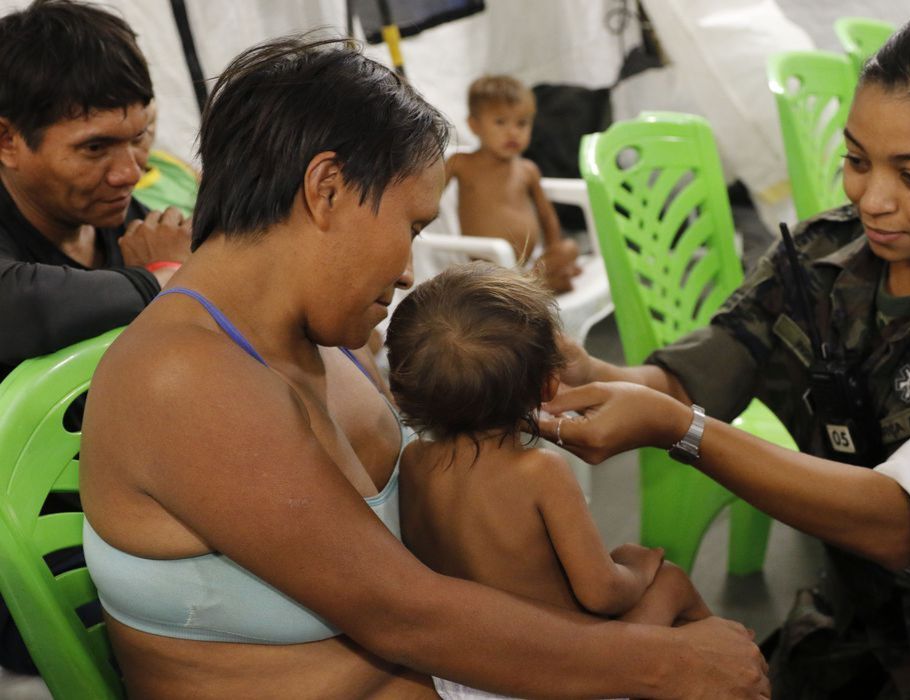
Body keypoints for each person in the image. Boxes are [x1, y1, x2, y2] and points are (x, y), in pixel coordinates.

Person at [79, 36, 768, 699]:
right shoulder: (185, 378)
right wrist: (660, 666)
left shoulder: (326, 337)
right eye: (411, 226)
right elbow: (404, 612)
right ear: (327, 188)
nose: (409, 271)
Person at [541, 7, 910, 698]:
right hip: (852, 622)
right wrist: (591, 373)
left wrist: (679, 433)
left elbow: (906, 520)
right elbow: (700, 374)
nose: (873, 198)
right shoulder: (817, 259)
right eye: (857, 160)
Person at [387, 261, 711, 698]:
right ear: (549, 382)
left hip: (464, 679)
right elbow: (601, 594)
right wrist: (639, 565)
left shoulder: (412, 462)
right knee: (670, 583)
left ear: (403, 389)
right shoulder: (539, 471)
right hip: (558, 677)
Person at [0, 0, 192, 675]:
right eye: (94, 148)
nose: (131, 171)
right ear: (6, 140)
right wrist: (163, 283)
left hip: (143, 536)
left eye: (140, 137)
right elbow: (18, 305)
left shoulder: (133, 222)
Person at [447, 74, 581, 293]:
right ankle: (537, 285)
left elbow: (546, 215)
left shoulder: (528, 170)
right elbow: (428, 193)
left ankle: (531, 283)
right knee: (555, 278)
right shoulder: (462, 164)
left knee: (569, 248)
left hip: (529, 263)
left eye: (522, 123)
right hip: (487, 265)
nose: (513, 132)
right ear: (474, 125)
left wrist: (554, 248)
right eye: (500, 122)